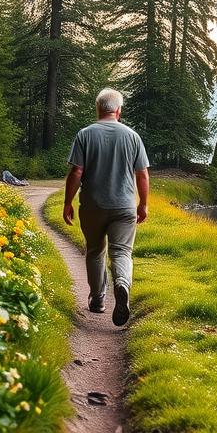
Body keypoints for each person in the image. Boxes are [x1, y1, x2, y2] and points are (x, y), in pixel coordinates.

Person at [63, 88, 150, 327]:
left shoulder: (84, 134)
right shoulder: (132, 137)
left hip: (92, 206)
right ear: (118, 111)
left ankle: (98, 299)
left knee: (95, 250)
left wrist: (68, 202)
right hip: (124, 207)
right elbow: (142, 174)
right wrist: (143, 204)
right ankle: (122, 283)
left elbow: (77, 172)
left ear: (98, 108)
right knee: (122, 252)